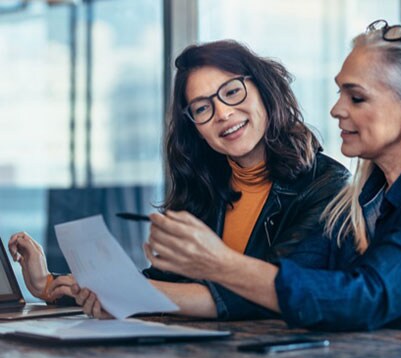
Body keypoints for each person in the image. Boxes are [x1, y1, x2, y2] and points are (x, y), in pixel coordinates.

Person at [143, 18, 401, 343]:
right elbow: (306, 286)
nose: (336, 109)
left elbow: (364, 300)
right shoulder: (360, 200)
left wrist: (219, 262)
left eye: (356, 98)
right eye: (340, 92)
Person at [8, 40, 349, 320]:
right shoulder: (206, 186)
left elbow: (269, 292)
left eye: (232, 92)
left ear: (264, 90)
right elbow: (165, 284)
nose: (223, 113)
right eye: (202, 108)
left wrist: (125, 294)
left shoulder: (327, 186)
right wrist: (49, 284)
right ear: (195, 128)